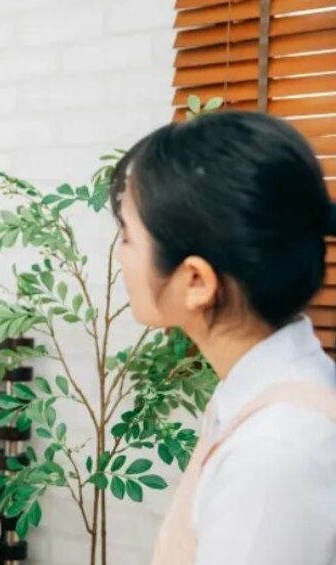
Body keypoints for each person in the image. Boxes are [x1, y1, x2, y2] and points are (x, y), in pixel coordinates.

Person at [110, 110, 336, 565]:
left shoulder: (275, 451)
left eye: (128, 237)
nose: (119, 255)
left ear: (196, 280)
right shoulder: (257, 395)